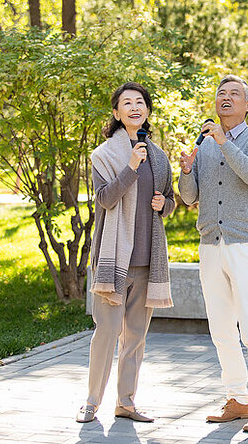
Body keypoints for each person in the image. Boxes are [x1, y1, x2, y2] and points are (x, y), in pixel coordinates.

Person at [178, 75, 248, 433]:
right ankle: (237, 399)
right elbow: (189, 197)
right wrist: (187, 170)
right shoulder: (204, 144)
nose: (226, 98)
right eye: (222, 93)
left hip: (247, 245)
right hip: (210, 245)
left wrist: (223, 143)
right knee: (221, 328)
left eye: (235, 94)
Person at [76, 82, 175, 423]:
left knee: (135, 338)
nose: (135, 107)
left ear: (147, 110)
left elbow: (170, 198)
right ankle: (91, 401)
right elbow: (104, 199)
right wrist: (130, 167)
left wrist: (166, 205)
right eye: (126, 103)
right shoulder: (104, 154)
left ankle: (126, 402)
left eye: (140, 102)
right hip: (114, 260)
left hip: (148, 261)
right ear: (116, 113)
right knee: (106, 333)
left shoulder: (158, 156)